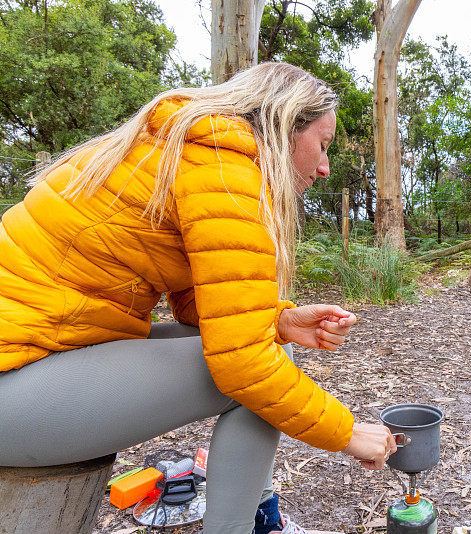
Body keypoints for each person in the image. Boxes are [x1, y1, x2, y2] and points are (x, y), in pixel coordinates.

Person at [0, 62, 397, 534]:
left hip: (38, 351)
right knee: (253, 380)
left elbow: (197, 308)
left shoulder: (188, 148)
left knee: (272, 352)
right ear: (283, 123)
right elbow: (244, 366)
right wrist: (349, 433)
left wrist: (279, 320)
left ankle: (259, 518)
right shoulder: (226, 170)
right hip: (17, 377)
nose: (325, 166)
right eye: (323, 145)